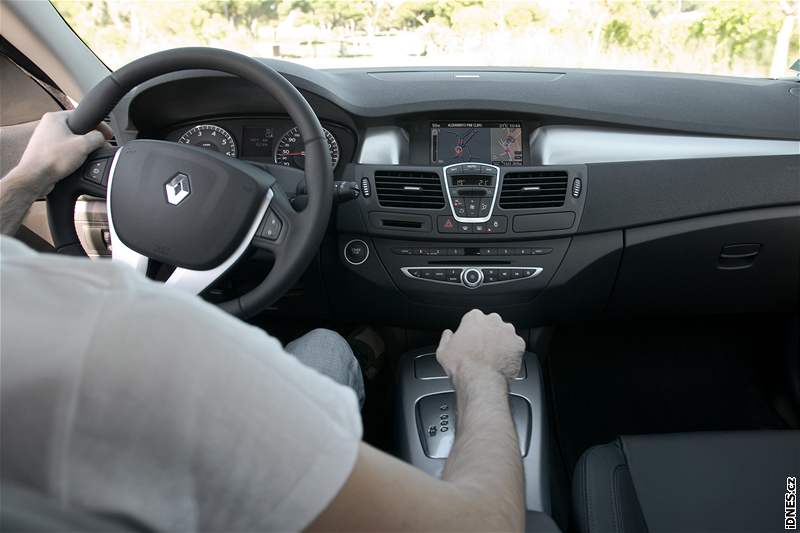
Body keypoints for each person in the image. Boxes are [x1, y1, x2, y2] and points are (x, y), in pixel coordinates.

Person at [0, 111, 527, 532]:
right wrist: (481, 372)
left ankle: (371, 351)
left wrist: (26, 179)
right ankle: (366, 353)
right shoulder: (140, 344)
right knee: (325, 345)